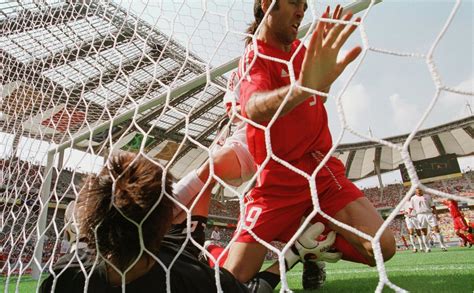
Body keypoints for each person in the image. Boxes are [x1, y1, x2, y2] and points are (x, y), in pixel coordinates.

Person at [221, 0, 396, 288]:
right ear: (267, 4)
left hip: (320, 172)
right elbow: (252, 107)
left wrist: (320, 83)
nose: (301, 11)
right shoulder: (254, 57)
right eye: (293, 2)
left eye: (304, 4)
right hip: (275, 184)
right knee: (233, 279)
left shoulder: (302, 51)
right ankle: (297, 250)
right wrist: (300, 88)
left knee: (382, 247)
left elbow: (318, 96)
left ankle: (311, 247)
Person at [40, 152, 250, 293]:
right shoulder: (195, 277)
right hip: (169, 253)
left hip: (111, 250)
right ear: (168, 219)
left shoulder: (64, 276)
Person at [409, 188, 448, 252]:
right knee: (424, 232)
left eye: (421, 191)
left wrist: (436, 215)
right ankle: (427, 247)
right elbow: (411, 207)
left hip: (429, 214)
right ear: (415, 192)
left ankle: (442, 245)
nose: (420, 192)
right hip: (420, 215)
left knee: (437, 229)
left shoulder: (427, 196)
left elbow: (433, 206)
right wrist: (409, 214)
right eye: (418, 191)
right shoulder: (413, 198)